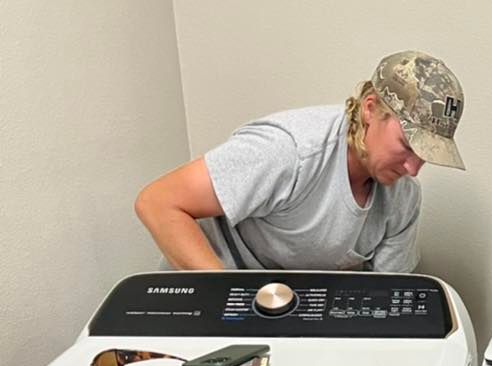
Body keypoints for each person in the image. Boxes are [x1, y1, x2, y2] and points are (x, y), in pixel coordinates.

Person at [135, 50, 465, 273]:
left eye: (425, 157)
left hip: (290, 318)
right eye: (406, 146)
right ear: (369, 109)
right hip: (212, 294)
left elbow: (386, 303)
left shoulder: (403, 199)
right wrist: (233, 299)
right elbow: (158, 202)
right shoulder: (290, 151)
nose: (412, 169)